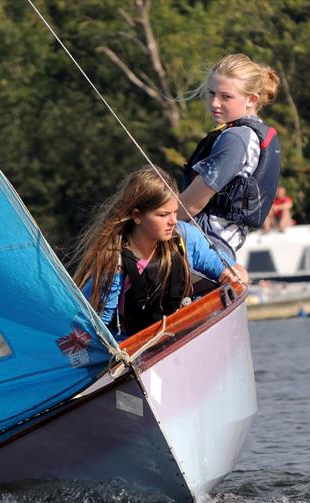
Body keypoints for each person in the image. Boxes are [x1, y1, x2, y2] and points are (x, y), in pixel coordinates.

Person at [73, 166, 248, 340]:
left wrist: (235, 275)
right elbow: (98, 334)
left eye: (174, 212)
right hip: (136, 348)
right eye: (163, 215)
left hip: (184, 334)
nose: (173, 221)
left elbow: (238, 272)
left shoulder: (186, 237)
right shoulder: (114, 263)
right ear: (137, 216)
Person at [179, 54, 281, 261]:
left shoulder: (237, 138)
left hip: (201, 249)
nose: (215, 103)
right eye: (211, 93)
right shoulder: (248, 134)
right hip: (219, 251)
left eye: (226, 97)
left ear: (251, 99)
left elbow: (190, 205)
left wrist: (139, 224)